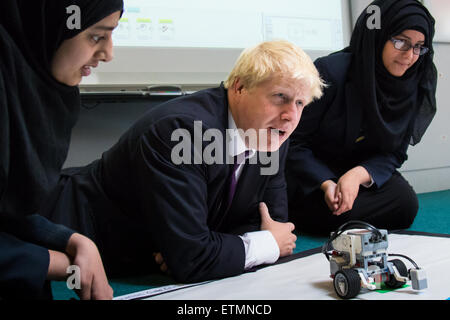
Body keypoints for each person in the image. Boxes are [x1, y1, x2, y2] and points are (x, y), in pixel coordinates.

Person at [41, 40, 324, 283]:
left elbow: (271, 222)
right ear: (239, 87)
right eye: (280, 97)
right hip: (61, 231)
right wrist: (262, 245)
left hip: (143, 260)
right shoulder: (181, 132)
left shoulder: (271, 134)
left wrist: (202, 247)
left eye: (300, 103)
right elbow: (198, 258)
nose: (290, 115)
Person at [0, 0, 123, 299]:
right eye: (96, 36)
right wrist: (59, 263)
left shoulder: (31, 89)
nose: (109, 54)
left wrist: (71, 240)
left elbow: (8, 211)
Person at [285, 0, 437, 235]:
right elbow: (293, 141)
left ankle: (338, 213)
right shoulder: (330, 71)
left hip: (358, 174)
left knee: (405, 203)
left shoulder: (412, 83)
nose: (410, 56)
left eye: (419, 46)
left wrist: (358, 175)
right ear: (379, 36)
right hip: (313, 176)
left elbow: (394, 152)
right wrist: (326, 183)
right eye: (401, 42)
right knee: (328, 209)